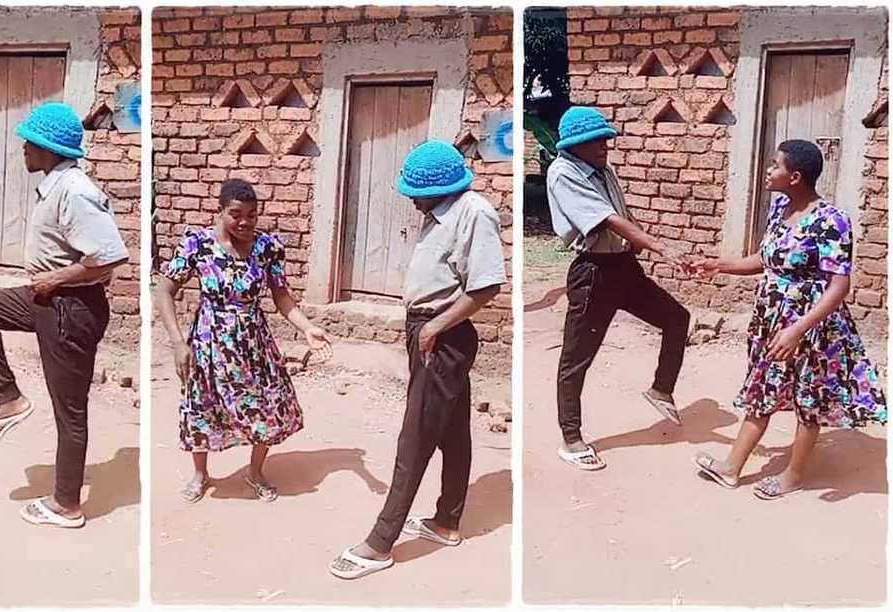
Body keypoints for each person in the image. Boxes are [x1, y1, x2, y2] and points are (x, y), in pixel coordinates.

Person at [328, 140, 507, 580]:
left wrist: (432, 327)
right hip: (431, 332)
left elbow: (485, 287)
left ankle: (381, 542)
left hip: (442, 337)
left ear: (441, 188)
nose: (409, 198)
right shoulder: (439, 214)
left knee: (415, 436)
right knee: (451, 431)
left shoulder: (473, 213)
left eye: (415, 191)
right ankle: (447, 521)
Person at [0, 102, 129, 528]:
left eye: (29, 144)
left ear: (48, 149)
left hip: (71, 308)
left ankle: (66, 505)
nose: (23, 151)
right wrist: (48, 284)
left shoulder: (75, 191)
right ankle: (9, 399)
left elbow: (109, 258)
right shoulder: (56, 185)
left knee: (69, 410)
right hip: (47, 300)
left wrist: (55, 280)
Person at [691, 139, 887, 499]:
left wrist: (798, 329)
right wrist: (721, 265)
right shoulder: (779, 208)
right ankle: (731, 468)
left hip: (812, 327)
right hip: (771, 320)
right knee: (761, 386)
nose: (768, 170)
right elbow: (766, 261)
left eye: (775, 165)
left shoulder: (832, 221)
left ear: (795, 176)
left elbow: (839, 286)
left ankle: (793, 475)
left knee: (808, 397)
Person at [155, 178, 330, 504]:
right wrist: (179, 343)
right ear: (220, 211)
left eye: (252, 214)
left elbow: (281, 296)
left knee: (266, 403)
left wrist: (306, 327)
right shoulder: (197, 245)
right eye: (237, 214)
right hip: (208, 341)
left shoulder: (268, 248)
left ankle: (255, 471)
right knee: (202, 405)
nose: (245, 222)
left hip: (253, 342)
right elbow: (164, 290)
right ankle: (200, 473)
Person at [546, 106, 692, 471]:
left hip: (623, 266)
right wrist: (659, 246)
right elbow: (605, 219)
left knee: (677, 317)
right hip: (593, 273)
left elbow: (622, 216)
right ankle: (572, 437)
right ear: (574, 145)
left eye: (605, 138)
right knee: (576, 359)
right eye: (594, 141)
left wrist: (649, 243)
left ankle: (661, 389)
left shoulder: (604, 170)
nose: (603, 146)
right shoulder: (563, 172)